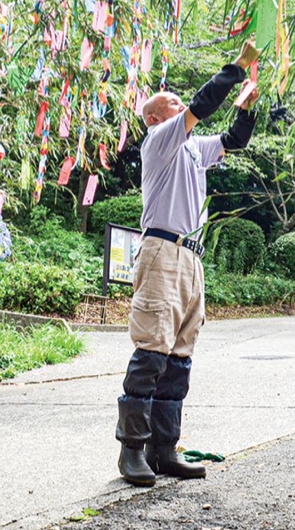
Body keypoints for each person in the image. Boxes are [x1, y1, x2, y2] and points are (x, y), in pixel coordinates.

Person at [116, 38, 260, 487]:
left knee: (178, 359)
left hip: (191, 258)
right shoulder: (160, 140)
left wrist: (246, 108)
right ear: (156, 118)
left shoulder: (194, 150)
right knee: (151, 353)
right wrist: (237, 66)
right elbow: (201, 102)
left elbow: (234, 140)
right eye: (172, 103)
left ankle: (164, 450)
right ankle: (132, 451)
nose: (183, 105)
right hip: (161, 252)